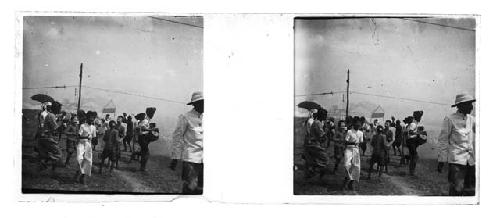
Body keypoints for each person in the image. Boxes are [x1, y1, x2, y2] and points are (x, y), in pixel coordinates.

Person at [437, 93, 476, 196]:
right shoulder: (450, 119)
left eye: (471, 104)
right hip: (456, 161)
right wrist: (442, 159)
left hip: (470, 161)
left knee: (470, 191)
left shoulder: (472, 119)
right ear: (460, 106)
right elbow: (443, 140)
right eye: (468, 104)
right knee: (457, 189)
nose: (471, 107)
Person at [170, 91, 204, 194]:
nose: (204, 105)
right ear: (195, 104)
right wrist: (175, 157)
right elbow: (177, 137)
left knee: (201, 189)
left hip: (204, 159)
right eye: (201, 103)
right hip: (190, 158)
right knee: (189, 187)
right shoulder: (186, 117)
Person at [302, 108, 329, 179]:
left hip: (312, 144)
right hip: (314, 145)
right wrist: (326, 133)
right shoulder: (318, 123)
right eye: (325, 115)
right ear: (321, 115)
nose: (326, 116)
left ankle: (311, 171)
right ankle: (313, 170)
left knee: (313, 159)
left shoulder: (317, 122)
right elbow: (322, 136)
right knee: (325, 160)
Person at [36, 102, 62, 171]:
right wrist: (62, 124)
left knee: (50, 152)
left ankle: (44, 163)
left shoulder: (51, 115)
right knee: (58, 154)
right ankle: (43, 162)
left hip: (45, 136)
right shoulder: (51, 116)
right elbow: (55, 128)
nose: (60, 110)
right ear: (56, 109)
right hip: (47, 137)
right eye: (60, 108)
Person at [75, 111, 95, 185]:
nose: (92, 120)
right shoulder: (82, 126)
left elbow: (94, 137)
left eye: (93, 119)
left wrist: (93, 142)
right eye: (90, 118)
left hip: (88, 145)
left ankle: (82, 177)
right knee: (80, 159)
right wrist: (87, 137)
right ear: (87, 118)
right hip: (81, 144)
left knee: (88, 161)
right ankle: (77, 174)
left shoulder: (93, 127)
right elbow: (79, 135)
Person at [343, 120, 364, 191]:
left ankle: (351, 183)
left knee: (356, 167)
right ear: (354, 125)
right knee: (346, 165)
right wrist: (353, 143)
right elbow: (346, 141)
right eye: (357, 125)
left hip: (356, 151)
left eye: (359, 125)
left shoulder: (361, 133)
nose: (358, 126)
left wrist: (358, 146)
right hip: (349, 150)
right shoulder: (349, 132)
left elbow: (361, 142)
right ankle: (346, 180)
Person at [406, 111, 426, 176]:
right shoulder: (413, 124)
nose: (420, 118)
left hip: (411, 141)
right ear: (417, 117)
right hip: (411, 141)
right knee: (414, 157)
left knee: (413, 157)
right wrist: (418, 133)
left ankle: (411, 172)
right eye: (420, 117)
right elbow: (410, 132)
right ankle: (411, 172)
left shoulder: (414, 123)